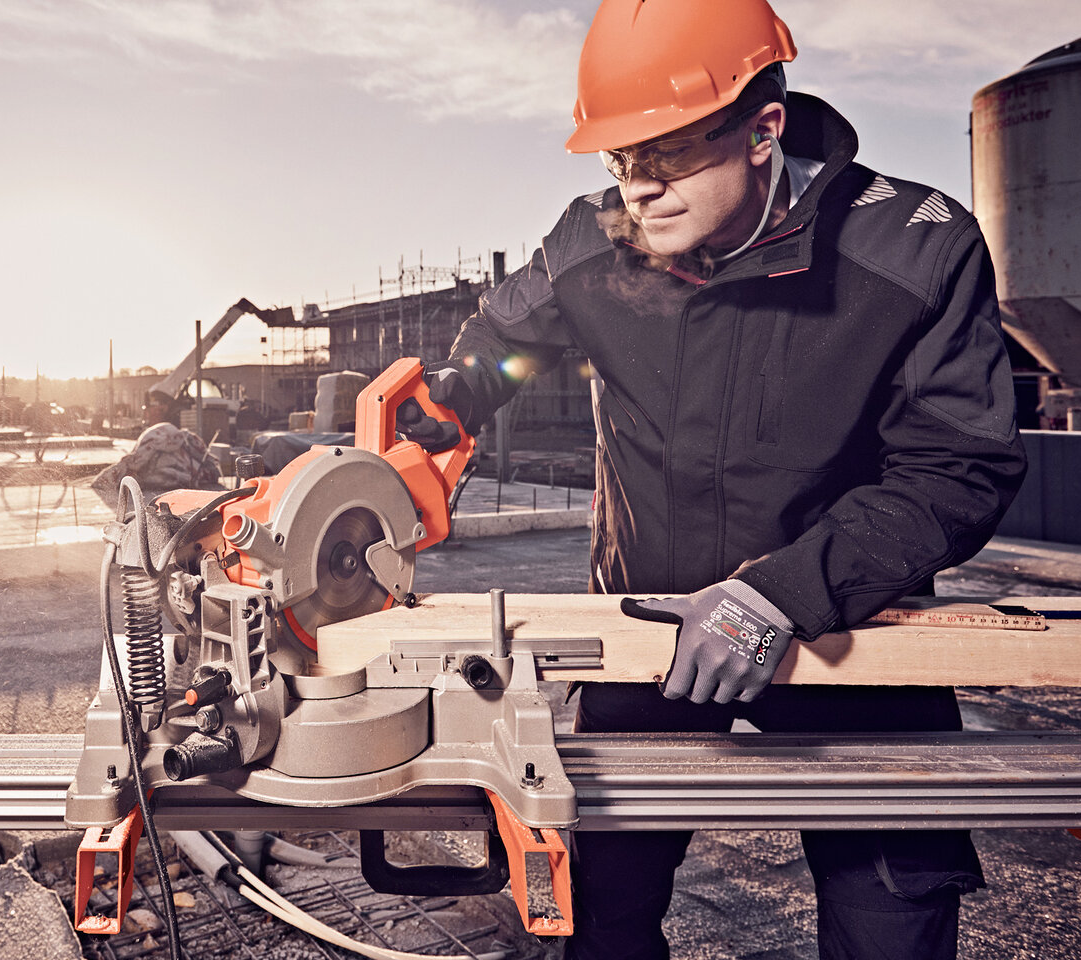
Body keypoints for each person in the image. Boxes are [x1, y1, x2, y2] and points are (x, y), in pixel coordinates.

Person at [403, 1, 1027, 957]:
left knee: (891, 917)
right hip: (644, 626)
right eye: (619, 162)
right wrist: (441, 411)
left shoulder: (912, 249)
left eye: (666, 157)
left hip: (847, 634)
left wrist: (779, 594)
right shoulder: (592, 243)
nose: (638, 192)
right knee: (598, 904)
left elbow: (957, 469)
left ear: (763, 130)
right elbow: (503, 349)